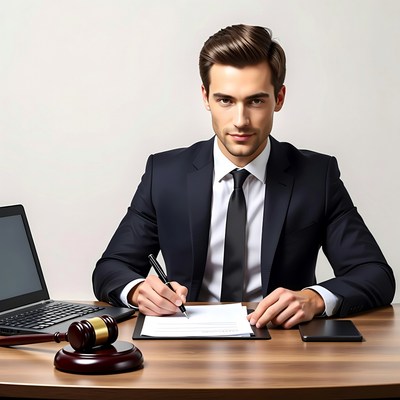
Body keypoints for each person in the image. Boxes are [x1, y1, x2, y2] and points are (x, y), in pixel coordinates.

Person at [92, 24, 395, 329]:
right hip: (185, 344)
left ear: (279, 98)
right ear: (205, 97)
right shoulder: (165, 174)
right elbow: (111, 267)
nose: (241, 121)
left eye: (256, 101)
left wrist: (314, 299)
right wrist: (137, 290)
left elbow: (375, 274)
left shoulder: (317, 176)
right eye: (225, 100)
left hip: (281, 345)